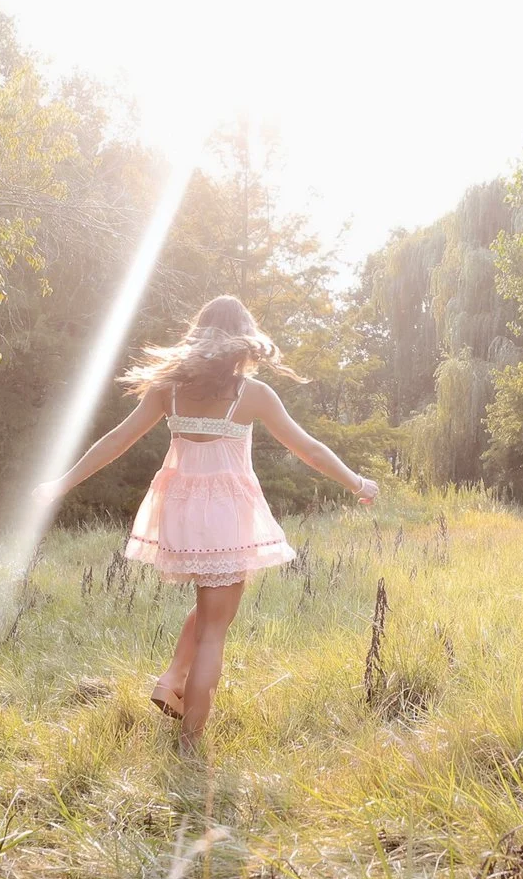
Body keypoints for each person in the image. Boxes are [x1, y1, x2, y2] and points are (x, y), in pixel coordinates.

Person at [41, 296, 378, 746]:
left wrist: (61, 483)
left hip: (180, 511)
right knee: (216, 628)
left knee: (208, 607)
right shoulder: (251, 394)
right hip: (227, 511)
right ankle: (190, 740)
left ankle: (171, 680)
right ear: (242, 339)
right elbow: (308, 448)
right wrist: (357, 482)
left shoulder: (169, 390)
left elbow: (118, 439)